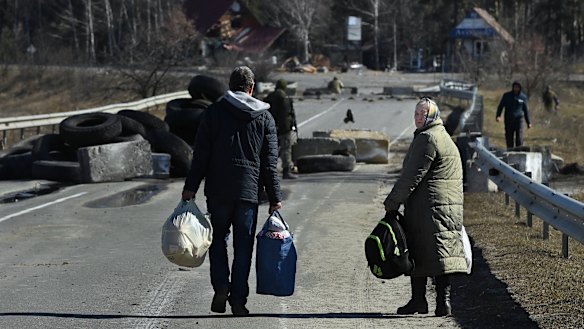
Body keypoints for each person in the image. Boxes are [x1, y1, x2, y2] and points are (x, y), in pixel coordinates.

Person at [182, 66, 283, 316]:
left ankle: (220, 287)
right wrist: (275, 198)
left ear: (230, 87)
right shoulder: (265, 118)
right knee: (243, 247)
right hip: (248, 193)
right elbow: (270, 163)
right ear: (251, 88)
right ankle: (238, 300)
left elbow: (201, 155)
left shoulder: (214, 112)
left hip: (218, 190)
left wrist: (190, 187)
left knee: (217, 240)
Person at [383, 97, 467, 317]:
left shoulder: (427, 138)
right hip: (447, 205)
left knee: (419, 251)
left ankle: (423, 301)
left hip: (428, 206)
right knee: (440, 253)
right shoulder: (443, 136)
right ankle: (439, 302)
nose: (418, 118)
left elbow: (412, 176)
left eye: (422, 114)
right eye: (416, 114)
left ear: (431, 116)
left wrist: (392, 203)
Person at [264, 79, 298, 179]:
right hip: (284, 128)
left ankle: (267, 170)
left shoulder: (269, 97)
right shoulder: (284, 98)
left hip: (270, 126)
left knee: (270, 149)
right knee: (286, 149)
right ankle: (286, 170)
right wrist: (291, 126)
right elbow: (287, 114)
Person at [496, 81, 532, 149]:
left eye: (518, 87)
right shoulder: (507, 96)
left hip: (519, 119)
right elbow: (500, 106)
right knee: (509, 136)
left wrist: (528, 122)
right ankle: (510, 150)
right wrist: (498, 116)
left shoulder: (523, 97)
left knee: (519, 136)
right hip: (509, 119)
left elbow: (526, 110)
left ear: (520, 88)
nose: (516, 88)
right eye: (515, 87)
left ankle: (519, 151)